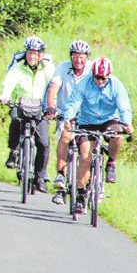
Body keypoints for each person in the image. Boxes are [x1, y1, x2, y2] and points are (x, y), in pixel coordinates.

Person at [62, 56, 134, 215]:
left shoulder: (116, 85)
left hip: (108, 119)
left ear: (108, 76)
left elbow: (124, 106)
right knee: (85, 155)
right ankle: (80, 196)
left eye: (103, 78)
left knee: (117, 135)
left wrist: (127, 123)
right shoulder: (84, 84)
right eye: (97, 77)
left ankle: (111, 163)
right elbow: (73, 103)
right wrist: (68, 119)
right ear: (92, 74)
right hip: (87, 120)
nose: (100, 81)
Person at [0, 35, 57, 193]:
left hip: (40, 107)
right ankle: (14, 151)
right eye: (29, 52)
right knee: (16, 119)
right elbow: (9, 80)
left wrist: (52, 105)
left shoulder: (48, 67)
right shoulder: (18, 65)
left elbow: (54, 85)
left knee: (43, 143)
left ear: (41, 55)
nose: (31, 56)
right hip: (21, 103)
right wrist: (5, 95)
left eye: (35, 53)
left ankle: (39, 176)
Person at [44, 40, 94, 203]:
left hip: (86, 115)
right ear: (70, 56)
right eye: (75, 56)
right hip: (66, 115)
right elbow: (53, 89)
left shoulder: (92, 69)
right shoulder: (62, 68)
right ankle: (61, 176)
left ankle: (85, 186)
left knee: (87, 150)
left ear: (87, 57)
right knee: (65, 137)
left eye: (81, 57)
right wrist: (51, 108)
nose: (78, 60)